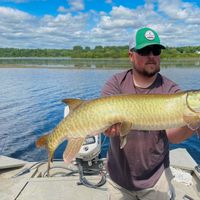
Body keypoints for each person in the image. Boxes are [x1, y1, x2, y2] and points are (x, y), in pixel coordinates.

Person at [101, 27, 194, 200]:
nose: (151, 56)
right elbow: (106, 122)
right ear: (131, 55)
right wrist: (107, 127)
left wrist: (194, 122)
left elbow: (173, 136)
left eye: (156, 50)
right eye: (144, 50)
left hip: (156, 178)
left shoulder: (171, 90)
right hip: (118, 179)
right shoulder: (115, 83)